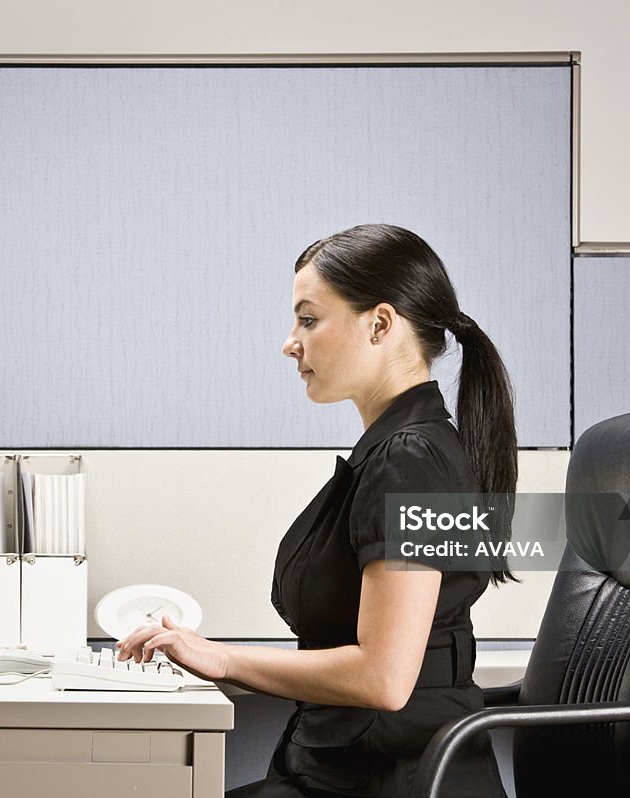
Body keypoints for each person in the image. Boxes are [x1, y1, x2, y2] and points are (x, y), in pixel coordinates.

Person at [116, 224, 517, 798]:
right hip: (364, 768)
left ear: (380, 324)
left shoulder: (411, 460)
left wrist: (222, 660)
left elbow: (384, 677)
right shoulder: (404, 451)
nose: (290, 342)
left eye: (309, 319)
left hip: (390, 780)